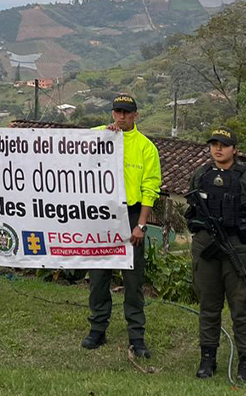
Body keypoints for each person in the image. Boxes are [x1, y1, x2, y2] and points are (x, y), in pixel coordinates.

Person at [185, 126, 246, 384]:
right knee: (208, 306)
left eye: (223, 144)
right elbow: (192, 209)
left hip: (238, 250)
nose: (218, 149)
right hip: (206, 249)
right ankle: (207, 358)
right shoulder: (201, 175)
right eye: (214, 144)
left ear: (234, 149)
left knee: (242, 308)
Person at [82, 94, 162, 361]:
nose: (121, 117)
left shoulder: (146, 147)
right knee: (98, 275)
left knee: (133, 279)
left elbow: (150, 188)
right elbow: (73, 147)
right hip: (101, 214)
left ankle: (136, 336)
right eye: (117, 112)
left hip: (130, 216)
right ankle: (97, 328)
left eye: (127, 113)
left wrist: (141, 225)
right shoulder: (100, 134)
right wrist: (103, 134)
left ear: (136, 115)